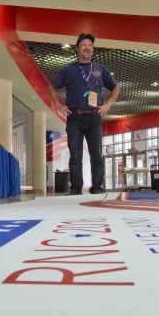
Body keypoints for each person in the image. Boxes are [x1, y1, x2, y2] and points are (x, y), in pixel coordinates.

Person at [48, 33, 119, 195]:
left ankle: (97, 188)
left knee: (96, 155)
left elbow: (115, 87)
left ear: (92, 49)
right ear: (78, 48)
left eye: (90, 46)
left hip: (94, 116)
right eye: (84, 45)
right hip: (74, 117)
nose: (87, 48)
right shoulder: (68, 70)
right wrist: (59, 105)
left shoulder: (100, 69)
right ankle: (75, 189)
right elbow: (51, 87)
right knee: (75, 155)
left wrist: (108, 104)